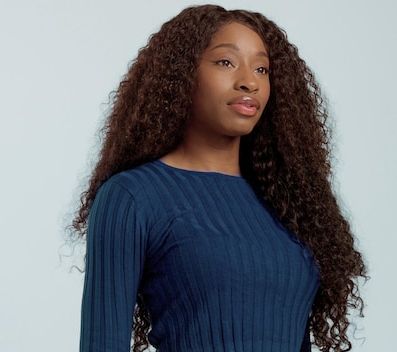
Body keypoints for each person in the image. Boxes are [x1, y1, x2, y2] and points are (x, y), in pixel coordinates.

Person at [70, 4, 367, 352]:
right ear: (181, 75)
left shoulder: (288, 203)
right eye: (225, 62)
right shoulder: (133, 196)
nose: (249, 81)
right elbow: (102, 344)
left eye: (262, 68)